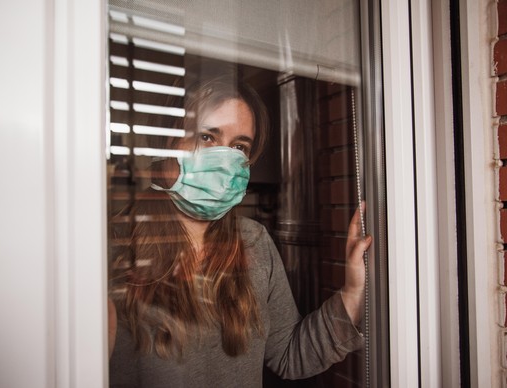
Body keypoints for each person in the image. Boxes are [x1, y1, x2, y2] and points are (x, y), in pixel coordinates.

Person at [108, 72, 372, 387]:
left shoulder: (254, 241)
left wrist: (353, 293)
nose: (224, 158)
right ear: (167, 143)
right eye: (207, 137)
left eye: (239, 146)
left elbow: (288, 353)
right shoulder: (113, 246)